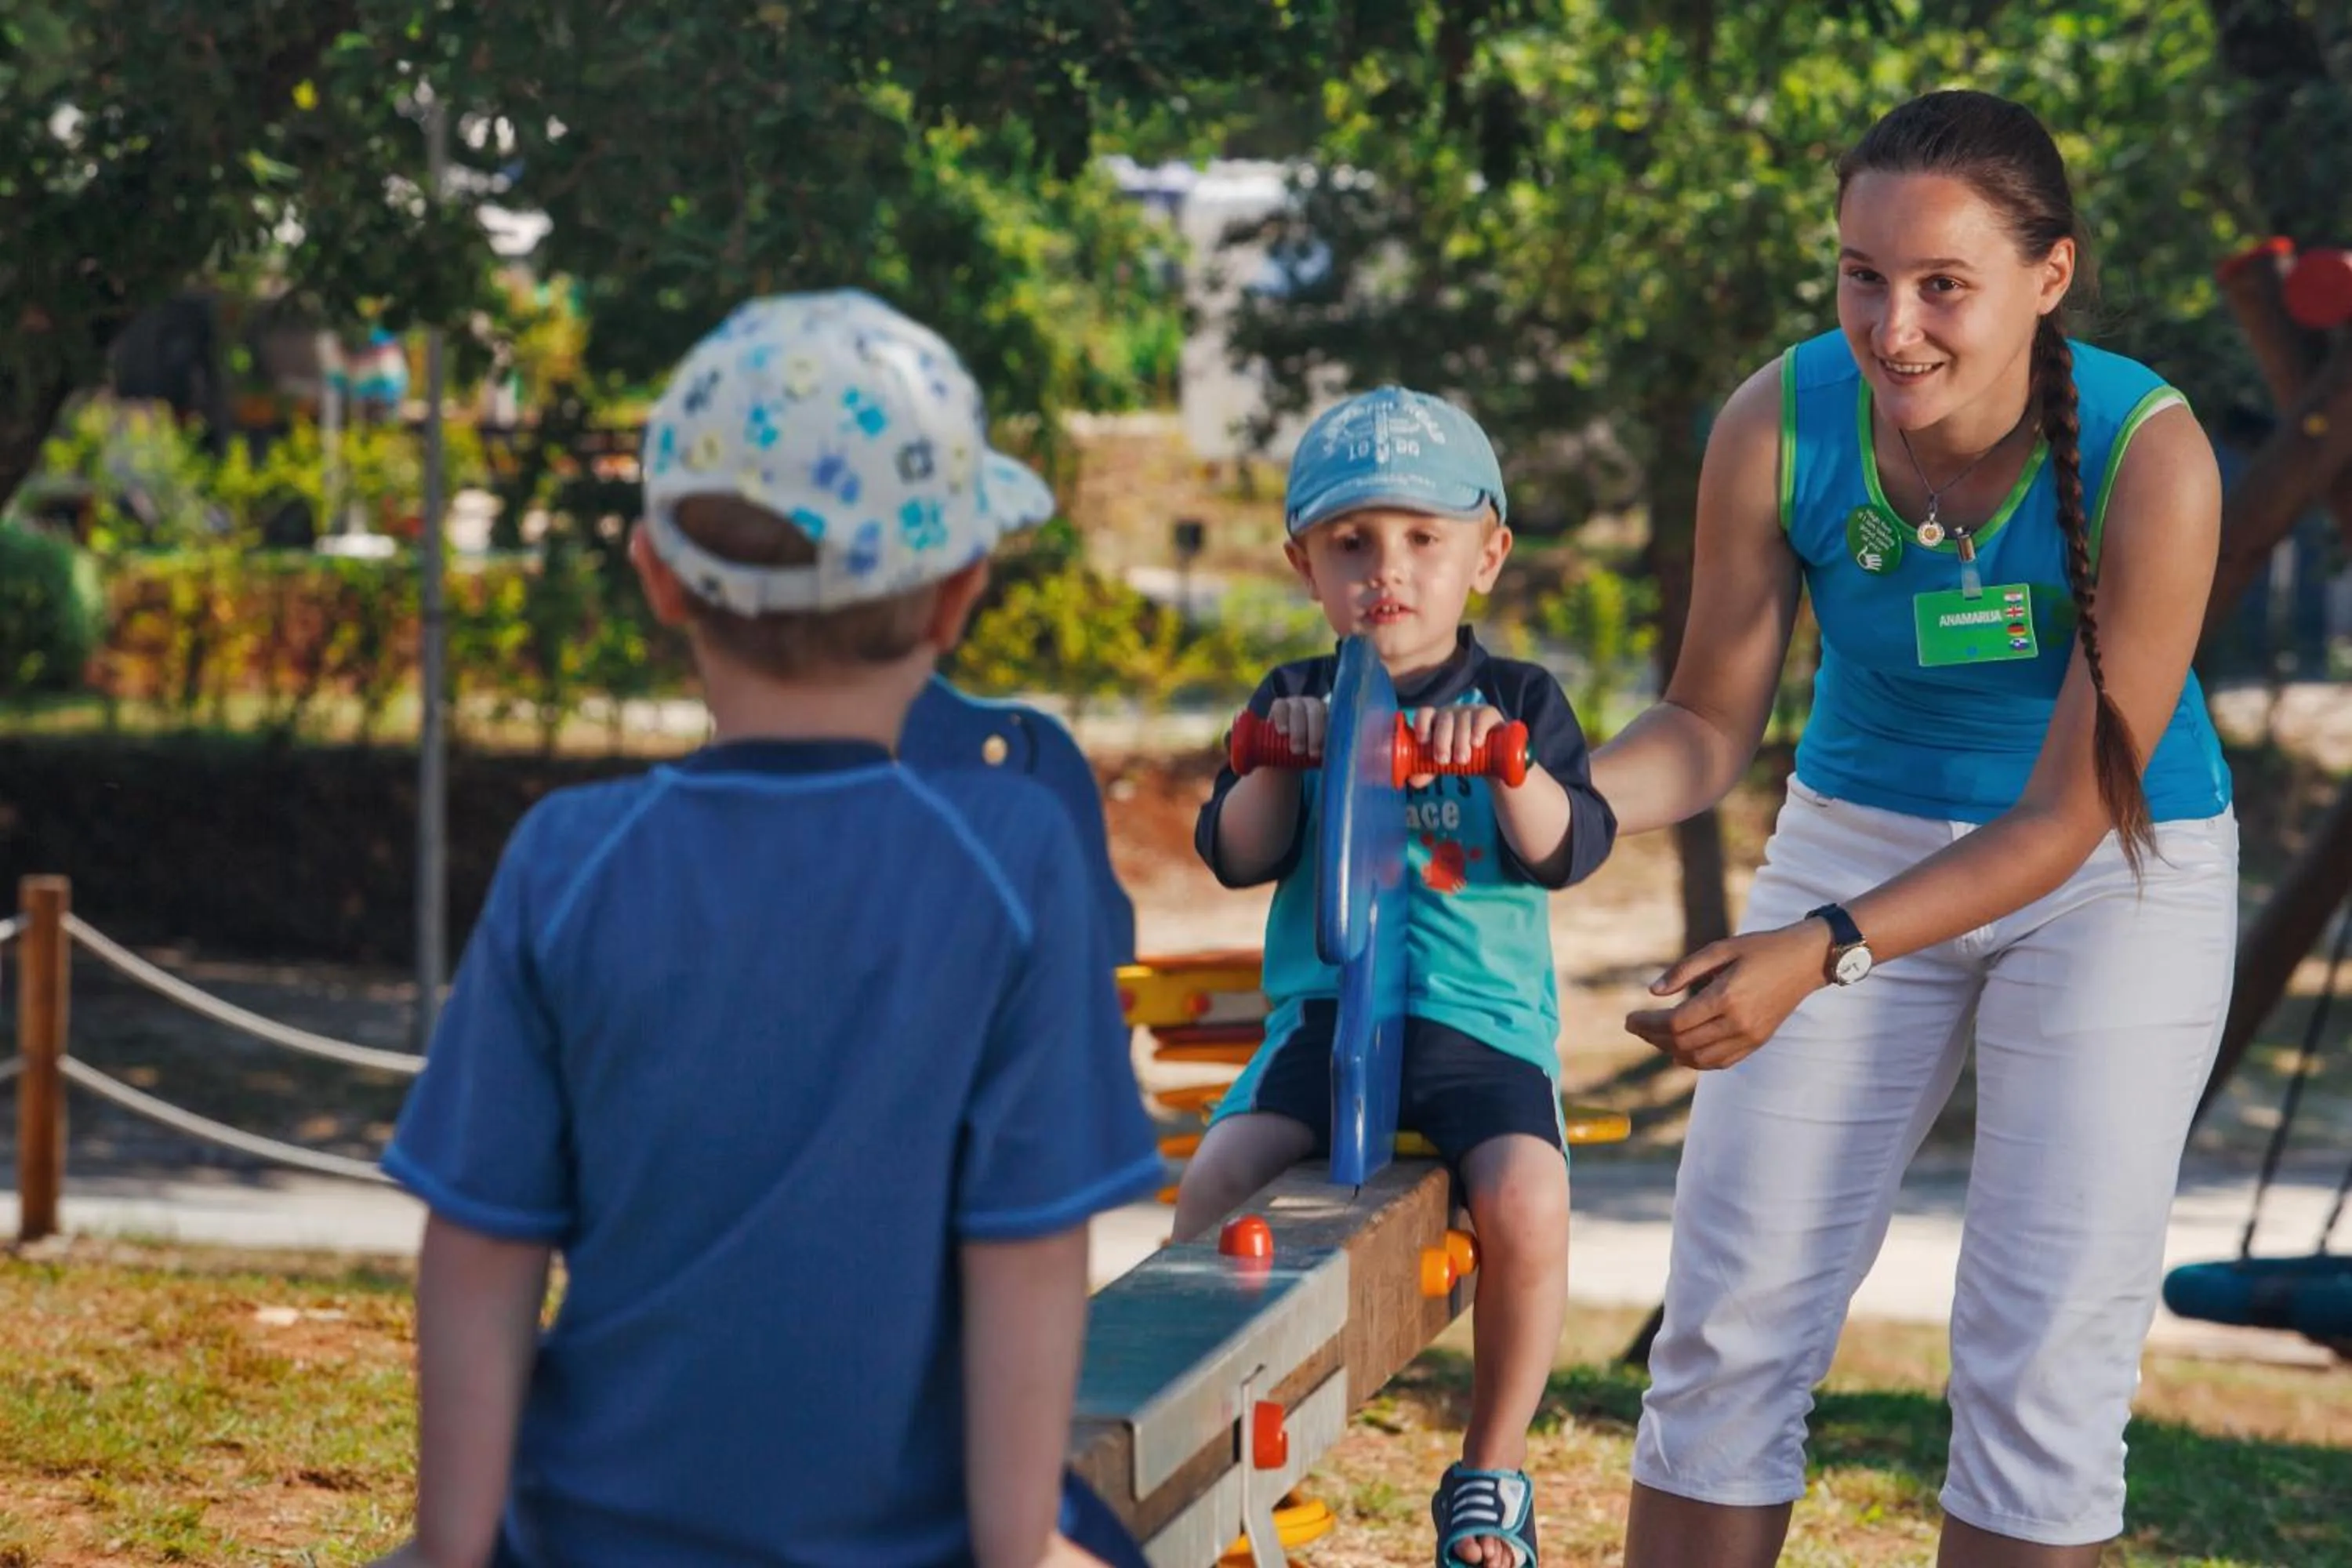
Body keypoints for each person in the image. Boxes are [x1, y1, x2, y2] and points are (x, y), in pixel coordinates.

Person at [369, 291, 1166, 1568]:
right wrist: (1018, 1548)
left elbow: (481, 1238)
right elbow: (1026, 1249)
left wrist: (452, 1548)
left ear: (658, 579)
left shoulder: (566, 862)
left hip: (585, 1534)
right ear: (958, 594)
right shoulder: (1013, 864)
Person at [1588, 91, 2238, 1566]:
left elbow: (2071, 814)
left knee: (2042, 1365)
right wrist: (1560, 804)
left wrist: (1814, 954)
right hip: (1856, 832)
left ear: (2049, 278)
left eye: (1945, 284)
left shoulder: (2154, 457)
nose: (1895, 328)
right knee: (1730, 1327)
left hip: (2114, 877)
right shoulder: (1781, 416)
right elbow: (1702, 722)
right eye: (1862, 275)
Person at [1175, 386, 1618, 1568]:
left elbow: (1572, 845)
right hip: (1327, 1024)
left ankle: (1493, 1465)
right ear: (1304, 565)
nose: (1390, 568)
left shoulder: (1518, 696)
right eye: (1353, 543)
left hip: (1480, 1031)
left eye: (1426, 538)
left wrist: (1509, 768)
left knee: (1525, 1201)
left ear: (1489, 555)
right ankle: (1223, 1444)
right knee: (1220, 1176)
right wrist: (1272, 758)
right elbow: (1237, 852)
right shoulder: (1291, 696)